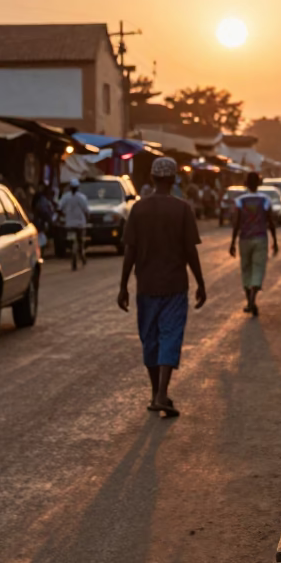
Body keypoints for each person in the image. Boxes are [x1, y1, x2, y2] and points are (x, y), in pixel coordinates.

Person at [117, 156, 206, 417]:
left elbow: (130, 251)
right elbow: (191, 251)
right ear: (173, 179)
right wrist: (201, 283)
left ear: (154, 179)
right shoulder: (182, 209)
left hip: (146, 286)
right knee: (170, 336)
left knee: (150, 339)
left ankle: (157, 392)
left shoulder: (139, 209)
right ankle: (161, 394)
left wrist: (123, 286)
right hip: (175, 286)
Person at [230, 171, 278, 316]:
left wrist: (232, 243)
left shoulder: (240, 201)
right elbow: (271, 222)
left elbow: (236, 223)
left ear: (245, 183)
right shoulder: (265, 200)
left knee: (246, 268)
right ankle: (253, 299)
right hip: (260, 238)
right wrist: (275, 241)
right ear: (259, 183)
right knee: (258, 268)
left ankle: (249, 301)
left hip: (244, 238)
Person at [59, 178, 90, 271]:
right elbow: (86, 211)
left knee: (73, 241)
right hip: (80, 224)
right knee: (80, 242)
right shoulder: (82, 198)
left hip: (69, 224)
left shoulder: (65, 197)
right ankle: (81, 255)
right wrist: (88, 219)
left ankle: (76, 254)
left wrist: (64, 216)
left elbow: (59, 208)